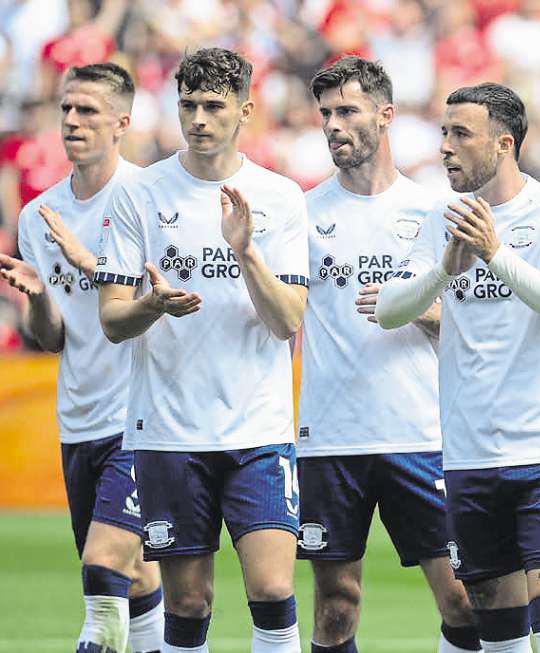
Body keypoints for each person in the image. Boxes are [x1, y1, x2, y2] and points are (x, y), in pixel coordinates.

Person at [95, 48, 309, 653]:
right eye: (188, 104)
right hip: (169, 430)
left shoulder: (280, 197)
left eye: (214, 106)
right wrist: (152, 306)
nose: (199, 119)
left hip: (257, 430)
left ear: (245, 110)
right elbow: (112, 319)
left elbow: (286, 320)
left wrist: (244, 252)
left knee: (271, 588)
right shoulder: (140, 194)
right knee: (189, 601)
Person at [377, 82, 540, 653]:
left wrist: (495, 252)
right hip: (471, 455)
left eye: (459, 134)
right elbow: (388, 309)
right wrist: (444, 269)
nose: (445, 147)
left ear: (503, 144)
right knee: (497, 634)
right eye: (443, 133)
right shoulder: (439, 218)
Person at [296, 56, 480, 653]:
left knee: (461, 600)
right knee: (334, 608)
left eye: (347, 111)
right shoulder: (301, 214)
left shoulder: (433, 212)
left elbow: (473, 324)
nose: (333, 125)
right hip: (330, 437)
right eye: (325, 114)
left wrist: (413, 308)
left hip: (420, 432)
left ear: (386, 115)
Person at [0, 62, 163, 653]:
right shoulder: (38, 216)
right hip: (79, 418)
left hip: (145, 418)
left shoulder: (150, 200)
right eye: (67, 108)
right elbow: (52, 339)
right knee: (135, 575)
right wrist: (39, 299)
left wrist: (94, 267)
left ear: (122, 122)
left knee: (101, 569)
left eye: (88, 110)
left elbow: (166, 301)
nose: (72, 120)